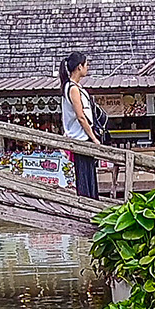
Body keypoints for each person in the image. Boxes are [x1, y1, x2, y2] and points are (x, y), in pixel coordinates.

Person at [60, 51, 101, 199]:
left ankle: (90, 203)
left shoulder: (70, 86)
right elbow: (81, 117)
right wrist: (94, 137)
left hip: (79, 137)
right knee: (85, 175)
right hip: (81, 138)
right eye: (86, 64)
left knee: (87, 174)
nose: (87, 68)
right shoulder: (73, 88)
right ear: (79, 67)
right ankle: (88, 204)